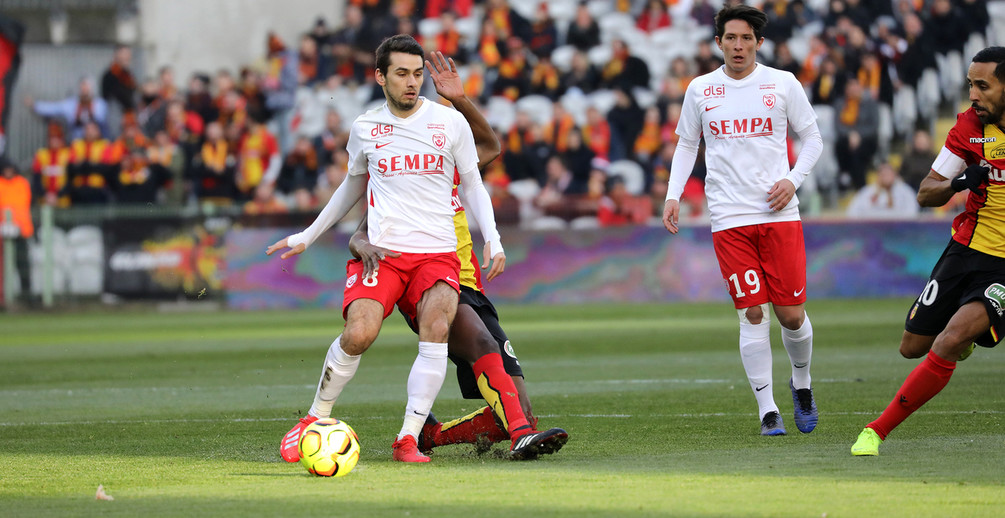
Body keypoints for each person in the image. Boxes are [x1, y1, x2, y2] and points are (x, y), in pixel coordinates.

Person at [268, 37, 554, 463]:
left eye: (418, 74)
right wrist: (317, 236)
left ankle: (420, 436)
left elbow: (480, 169)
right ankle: (319, 417)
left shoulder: (448, 132)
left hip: (449, 265)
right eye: (402, 73)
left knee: (464, 353)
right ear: (381, 76)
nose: (412, 82)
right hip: (400, 261)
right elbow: (357, 191)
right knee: (377, 333)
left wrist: (492, 237)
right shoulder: (368, 130)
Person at [662, 5, 823, 436]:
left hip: (779, 214)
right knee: (752, 312)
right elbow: (685, 146)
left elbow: (812, 138)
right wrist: (673, 194)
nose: (738, 45)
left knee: (790, 315)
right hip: (729, 216)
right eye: (731, 38)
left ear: (759, 43)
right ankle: (768, 409)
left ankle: (802, 383)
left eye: (746, 38)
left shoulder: (782, 83)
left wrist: (793, 180)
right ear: (718, 43)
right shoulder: (700, 90)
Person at [851, 47, 1005, 456]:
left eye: (983, 85)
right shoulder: (968, 128)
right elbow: (925, 192)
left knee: (949, 339)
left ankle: (875, 432)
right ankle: (972, 335)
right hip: (965, 249)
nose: (973, 94)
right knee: (911, 346)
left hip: (1004, 269)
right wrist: (960, 184)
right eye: (970, 84)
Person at [0, 158, 33, 306]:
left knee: (23, 264)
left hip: (21, 230)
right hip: (2, 231)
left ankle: (27, 294)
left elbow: (23, 204)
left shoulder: (21, 182)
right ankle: (3, 298)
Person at [845, 162, 919, 220]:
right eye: (883, 174)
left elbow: (912, 212)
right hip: (871, 230)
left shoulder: (905, 191)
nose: (886, 177)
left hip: (898, 230)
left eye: (889, 174)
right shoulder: (867, 192)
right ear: (878, 176)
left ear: (895, 175)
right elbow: (853, 212)